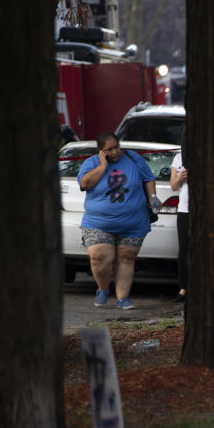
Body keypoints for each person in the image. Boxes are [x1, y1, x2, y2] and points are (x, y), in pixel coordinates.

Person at [77, 132, 159, 310]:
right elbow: (84, 184)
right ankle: (103, 289)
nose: (115, 152)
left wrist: (153, 197)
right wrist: (103, 166)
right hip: (98, 223)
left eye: (116, 147)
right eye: (109, 149)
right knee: (100, 258)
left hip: (133, 221)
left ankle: (123, 298)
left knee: (126, 258)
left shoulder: (134, 158)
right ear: (101, 151)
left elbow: (148, 178)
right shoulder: (91, 163)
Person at [169, 149, 189, 303]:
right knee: (184, 249)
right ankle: (183, 288)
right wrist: (180, 177)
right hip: (184, 209)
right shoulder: (179, 157)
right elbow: (173, 186)